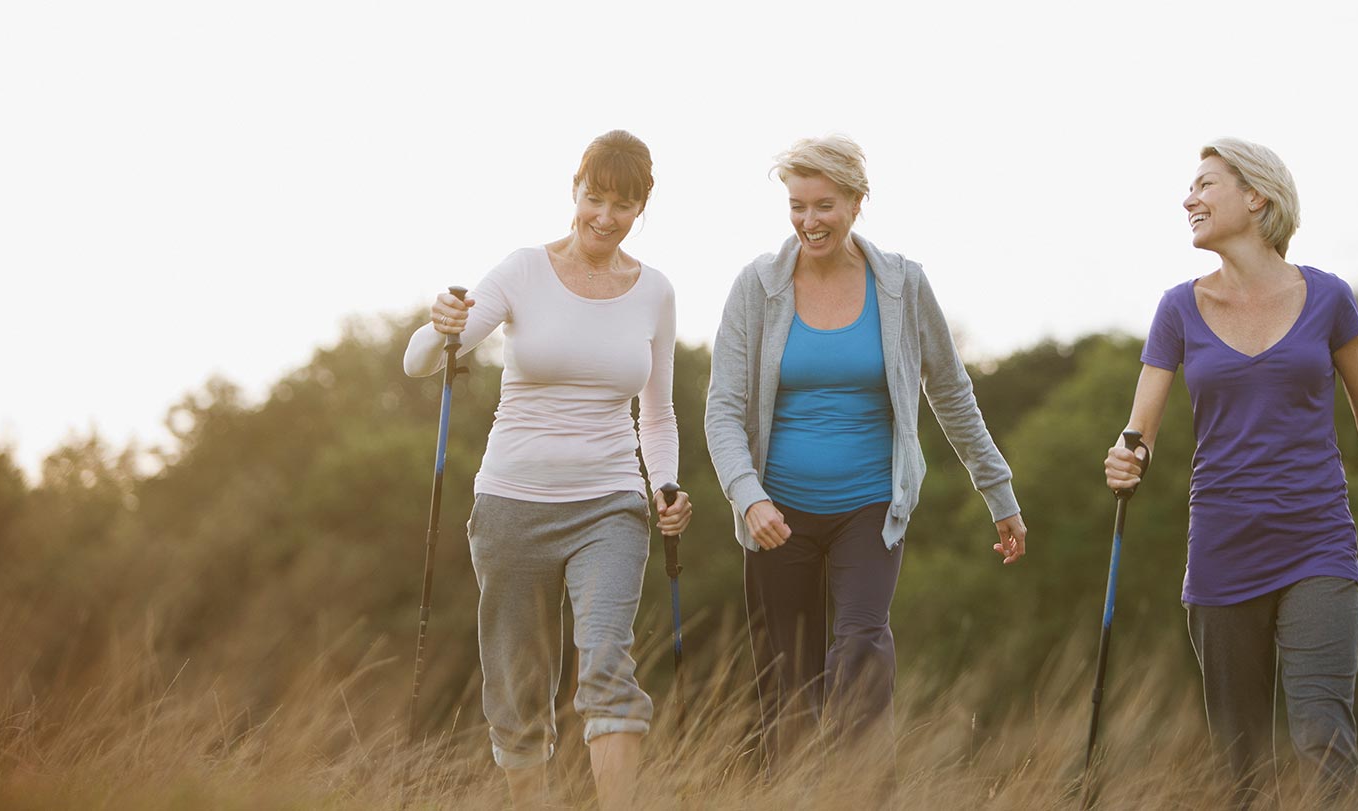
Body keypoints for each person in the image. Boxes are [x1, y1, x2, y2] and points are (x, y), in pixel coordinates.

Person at [1103, 137, 1358, 803]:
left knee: (1323, 735)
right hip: (1222, 550)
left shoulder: (1329, 298)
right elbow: (1142, 427)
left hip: (1318, 542)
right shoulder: (1179, 308)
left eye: (1205, 184)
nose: (1188, 198)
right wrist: (1125, 455)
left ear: (1256, 197)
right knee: (1241, 762)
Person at [704, 134, 1027, 783]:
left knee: (859, 651)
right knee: (786, 685)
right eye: (797, 205)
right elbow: (722, 409)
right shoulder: (756, 288)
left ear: (856, 201)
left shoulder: (902, 286)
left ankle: (856, 790)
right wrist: (748, 494)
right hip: (777, 511)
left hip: (869, 505)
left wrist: (1001, 494)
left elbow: (953, 394)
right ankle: (792, 793)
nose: (808, 221)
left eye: (824, 205)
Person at [403, 129, 692, 811]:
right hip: (512, 502)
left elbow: (657, 412)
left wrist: (665, 486)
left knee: (606, 663)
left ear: (640, 209)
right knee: (519, 682)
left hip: (611, 503)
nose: (604, 215)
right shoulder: (524, 271)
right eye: (595, 197)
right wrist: (439, 323)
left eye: (622, 204)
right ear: (575, 190)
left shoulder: (654, 291)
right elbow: (422, 360)